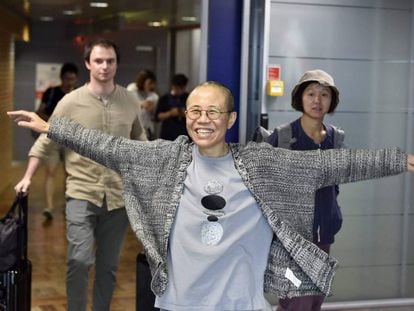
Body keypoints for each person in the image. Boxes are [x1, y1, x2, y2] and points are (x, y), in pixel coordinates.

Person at [8, 81, 414, 310]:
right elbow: (111, 147)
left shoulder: (261, 164)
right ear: (186, 117)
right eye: (195, 111)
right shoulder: (166, 159)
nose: (203, 120)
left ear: (231, 118)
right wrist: (51, 127)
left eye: (213, 112)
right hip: (177, 305)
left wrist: (400, 159)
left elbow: (332, 166)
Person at [12, 38, 147, 311]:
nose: (105, 66)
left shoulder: (130, 101)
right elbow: (45, 140)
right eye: (98, 60)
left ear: (117, 64)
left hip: (119, 199)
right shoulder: (70, 102)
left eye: (110, 61)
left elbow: (139, 138)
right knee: (80, 260)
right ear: (88, 63)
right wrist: (27, 176)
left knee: (108, 267)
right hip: (81, 192)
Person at [265, 69, 345, 311]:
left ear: (332, 101)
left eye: (324, 94)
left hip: (323, 236)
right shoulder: (283, 137)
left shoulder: (336, 139)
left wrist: (331, 216)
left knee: (312, 301)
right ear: (300, 98)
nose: (317, 100)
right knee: (299, 300)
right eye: (311, 93)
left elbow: (335, 186)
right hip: (292, 239)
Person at [34, 62, 79, 220]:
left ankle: (68, 206)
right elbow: (40, 112)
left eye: (73, 79)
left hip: (71, 140)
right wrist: (53, 122)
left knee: (70, 174)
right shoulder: (51, 92)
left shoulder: (79, 95)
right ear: (62, 78)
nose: (70, 83)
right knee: (50, 172)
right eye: (67, 79)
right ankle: (48, 207)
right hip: (52, 138)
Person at [127, 69, 159, 140]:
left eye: (153, 83)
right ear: (143, 81)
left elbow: (154, 116)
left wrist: (152, 109)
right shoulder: (132, 89)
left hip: (147, 128)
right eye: (149, 83)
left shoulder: (154, 96)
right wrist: (141, 104)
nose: (151, 86)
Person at [155, 73, 189, 140]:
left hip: (184, 134)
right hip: (168, 134)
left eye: (181, 88)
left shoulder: (188, 97)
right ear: (173, 86)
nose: (179, 90)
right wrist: (170, 113)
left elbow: (194, 114)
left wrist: (183, 113)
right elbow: (157, 117)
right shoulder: (165, 98)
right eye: (177, 88)